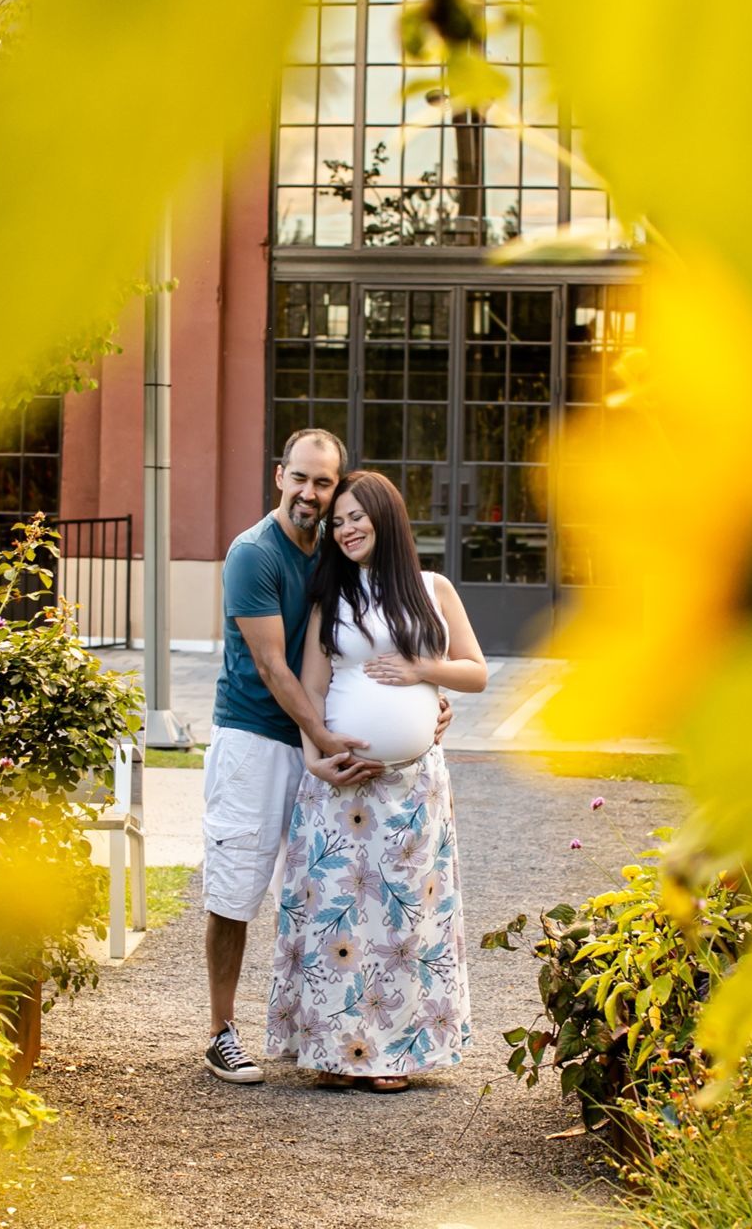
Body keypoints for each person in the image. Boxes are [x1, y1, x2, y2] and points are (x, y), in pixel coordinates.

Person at [266, 470, 487, 1092]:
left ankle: (395, 1055)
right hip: (339, 786)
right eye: (337, 522)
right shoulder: (328, 599)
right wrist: (315, 755)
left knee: (402, 920)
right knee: (337, 917)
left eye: (356, 517)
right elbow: (311, 688)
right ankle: (336, 1052)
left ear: (386, 517)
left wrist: (422, 669)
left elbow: (474, 673)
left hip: (412, 788)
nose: (346, 529)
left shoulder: (432, 589)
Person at [201, 429, 380, 1084]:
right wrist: (324, 742)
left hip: (317, 745)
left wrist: (428, 703)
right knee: (235, 892)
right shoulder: (255, 554)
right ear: (280, 475)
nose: (310, 493)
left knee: (323, 895)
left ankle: (324, 1035)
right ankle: (221, 1031)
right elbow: (275, 667)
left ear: (337, 489)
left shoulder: (338, 551)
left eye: (323, 483)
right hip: (254, 741)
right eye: (300, 478)